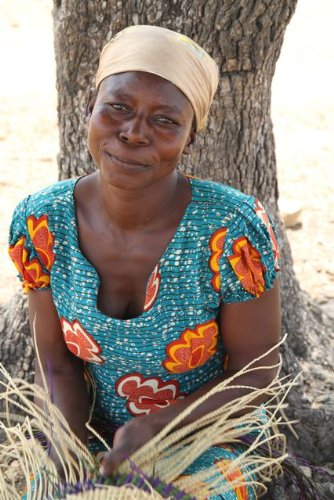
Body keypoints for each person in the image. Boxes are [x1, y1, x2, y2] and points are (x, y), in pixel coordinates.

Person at [8, 25, 281, 499]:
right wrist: (65, 454)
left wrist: (156, 427)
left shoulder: (231, 231)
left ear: (190, 137)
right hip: (94, 429)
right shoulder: (41, 224)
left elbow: (256, 373)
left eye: (165, 121)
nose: (133, 133)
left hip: (209, 433)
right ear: (88, 108)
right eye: (117, 107)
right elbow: (55, 365)